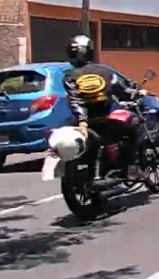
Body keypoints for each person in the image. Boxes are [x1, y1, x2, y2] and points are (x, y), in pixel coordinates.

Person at [61, 34, 147, 180]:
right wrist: (138, 92)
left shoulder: (69, 76)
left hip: (82, 125)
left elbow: (74, 100)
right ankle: (131, 169)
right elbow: (122, 91)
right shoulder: (105, 72)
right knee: (133, 130)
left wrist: (82, 121)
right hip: (103, 121)